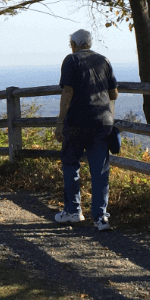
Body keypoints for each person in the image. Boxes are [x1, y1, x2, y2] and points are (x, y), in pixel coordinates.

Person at [54, 29, 118, 231]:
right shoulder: (104, 61)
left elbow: (67, 91)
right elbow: (113, 92)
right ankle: (101, 218)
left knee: (71, 164)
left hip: (77, 122)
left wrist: (60, 122)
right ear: (89, 44)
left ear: (74, 44)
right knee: (100, 170)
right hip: (102, 122)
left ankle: (73, 211)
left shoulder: (71, 60)